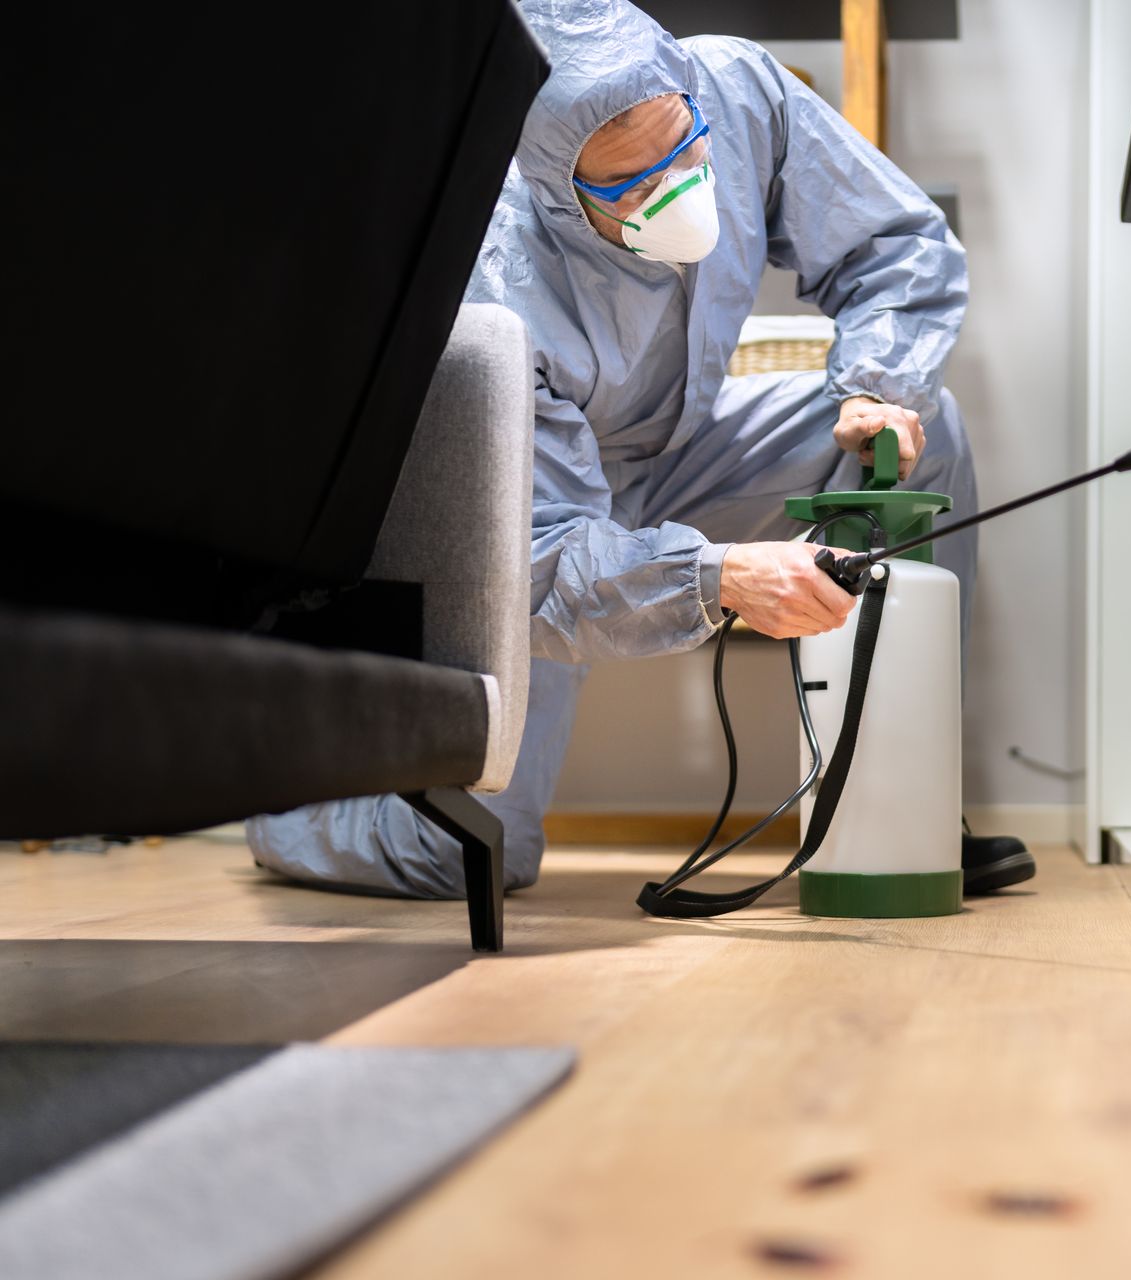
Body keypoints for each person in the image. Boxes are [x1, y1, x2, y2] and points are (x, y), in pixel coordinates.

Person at [247, 0, 1034, 901]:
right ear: (554, 188)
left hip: (685, 448)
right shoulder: (490, 275)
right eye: (631, 185)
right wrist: (717, 578)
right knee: (465, 857)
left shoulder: (737, 90)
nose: (682, 188)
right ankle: (290, 808)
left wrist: (876, 385)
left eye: (685, 146)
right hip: (531, 514)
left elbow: (893, 241)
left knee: (919, 445)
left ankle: (898, 807)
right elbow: (539, 558)